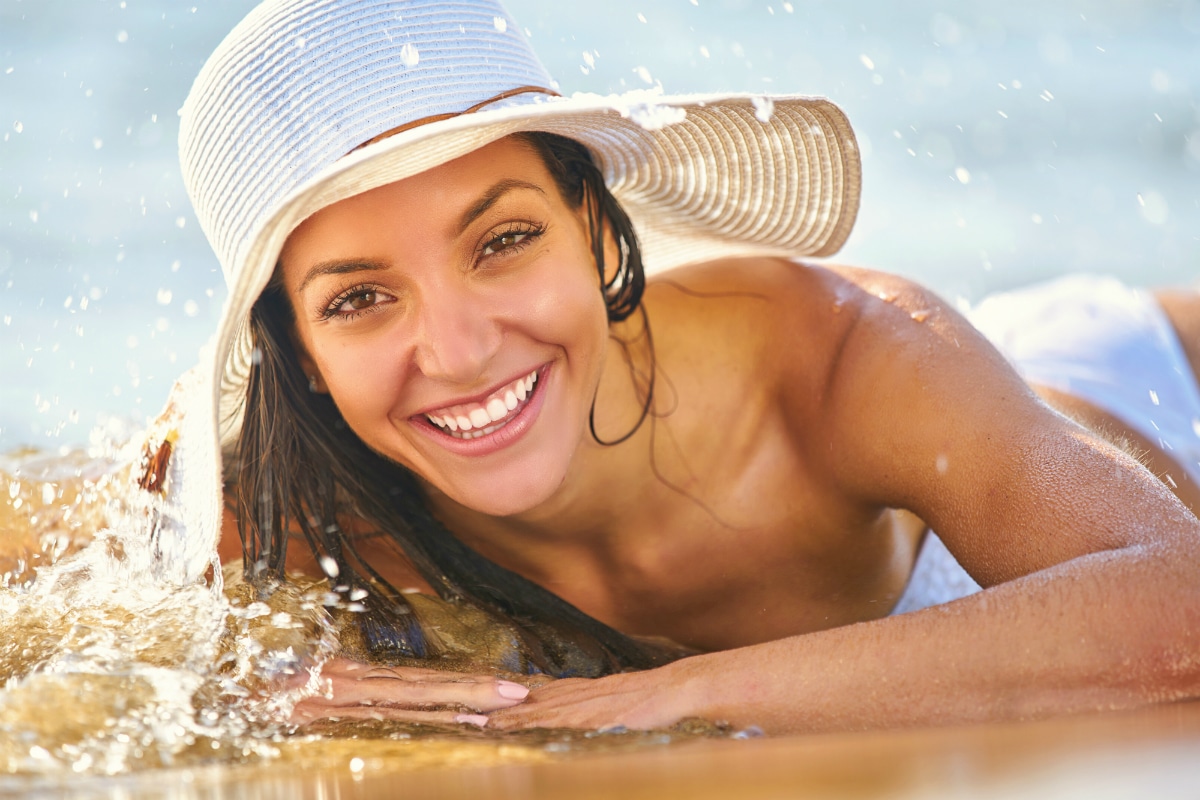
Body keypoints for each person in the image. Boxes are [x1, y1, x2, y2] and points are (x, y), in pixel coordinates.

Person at [175, 0, 1200, 734]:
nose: (459, 350)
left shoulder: (837, 353)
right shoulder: (278, 511)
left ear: (589, 220)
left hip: (1128, 383)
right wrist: (250, 686)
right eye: (359, 298)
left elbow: (1180, 605)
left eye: (503, 240)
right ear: (299, 355)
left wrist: (668, 694)